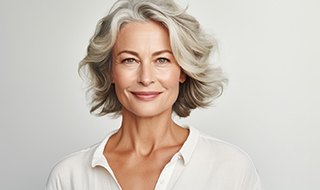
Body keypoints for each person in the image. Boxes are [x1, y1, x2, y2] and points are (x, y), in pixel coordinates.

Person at [46, 0, 262, 189]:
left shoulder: (231, 168)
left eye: (162, 60)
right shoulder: (69, 176)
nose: (146, 78)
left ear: (183, 71)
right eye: (130, 60)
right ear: (110, 71)